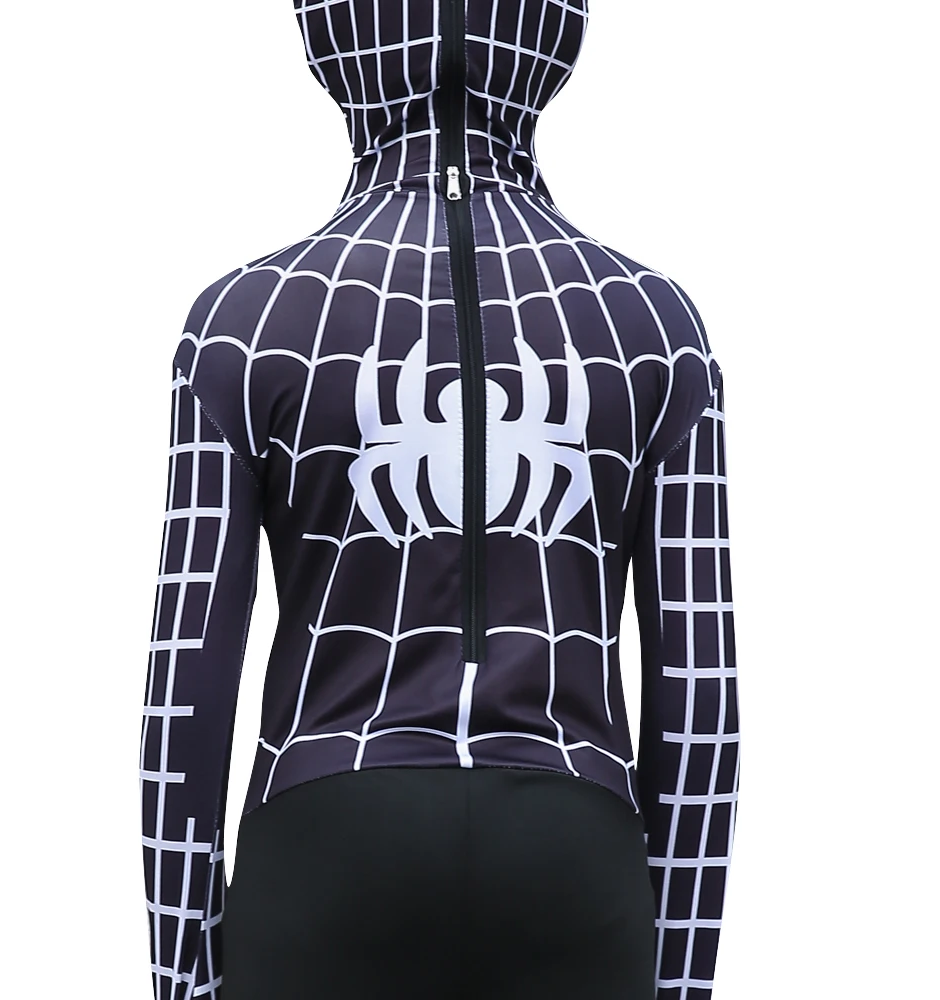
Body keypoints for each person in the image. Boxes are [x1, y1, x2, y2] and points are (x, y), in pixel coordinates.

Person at [138, 1, 741, 997]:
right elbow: (701, 688)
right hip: (573, 853)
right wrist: (678, 975)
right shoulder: (653, 324)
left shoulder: (243, 320)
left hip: (323, 843)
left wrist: (181, 979)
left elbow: (185, 688)